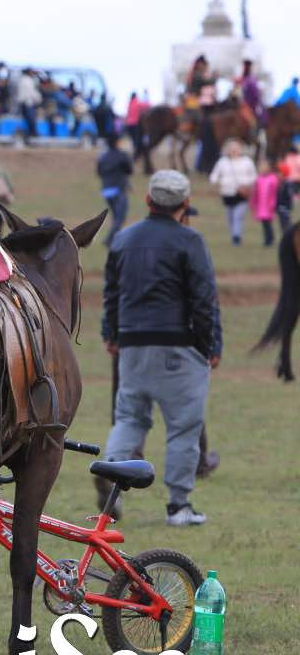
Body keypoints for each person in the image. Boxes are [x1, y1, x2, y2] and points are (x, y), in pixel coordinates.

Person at [101, 170, 221, 526]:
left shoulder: (122, 240)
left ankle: (111, 492)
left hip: (132, 344)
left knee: (129, 419)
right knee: (184, 426)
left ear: (148, 201)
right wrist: (209, 345)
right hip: (178, 346)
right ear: (185, 204)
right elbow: (203, 299)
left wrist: (112, 334)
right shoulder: (190, 241)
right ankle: (179, 506)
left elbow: (112, 294)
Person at [208, 138, 256, 245]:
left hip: (242, 193)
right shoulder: (222, 162)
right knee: (230, 216)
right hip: (227, 193)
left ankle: (236, 236)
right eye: (232, 148)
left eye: (236, 148)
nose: (234, 150)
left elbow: (253, 176)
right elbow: (215, 174)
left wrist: (246, 183)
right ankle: (234, 234)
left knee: (238, 215)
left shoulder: (247, 161)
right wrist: (215, 181)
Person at [96, 135, 134, 247]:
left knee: (116, 216)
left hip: (106, 191)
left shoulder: (102, 156)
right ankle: (109, 240)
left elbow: (99, 172)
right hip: (119, 190)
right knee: (120, 218)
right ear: (117, 142)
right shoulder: (122, 156)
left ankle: (116, 238)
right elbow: (130, 170)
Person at [252, 166, 280, 247]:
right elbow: (256, 192)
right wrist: (254, 202)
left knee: (268, 224)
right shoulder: (259, 180)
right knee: (264, 224)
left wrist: (273, 203)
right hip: (261, 206)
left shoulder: (273, 180)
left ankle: (270, 239)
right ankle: (267, 239)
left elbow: (274, 193)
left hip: (269, 206)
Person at [14, 68, 41, 139]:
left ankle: (30, 133)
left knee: (28, 119)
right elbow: (31, 92)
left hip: (23, 102)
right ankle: (32, 133)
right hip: (27, 102)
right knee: (31, 119)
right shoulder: (28, 80)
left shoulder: (21, 80)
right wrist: (37, 99)